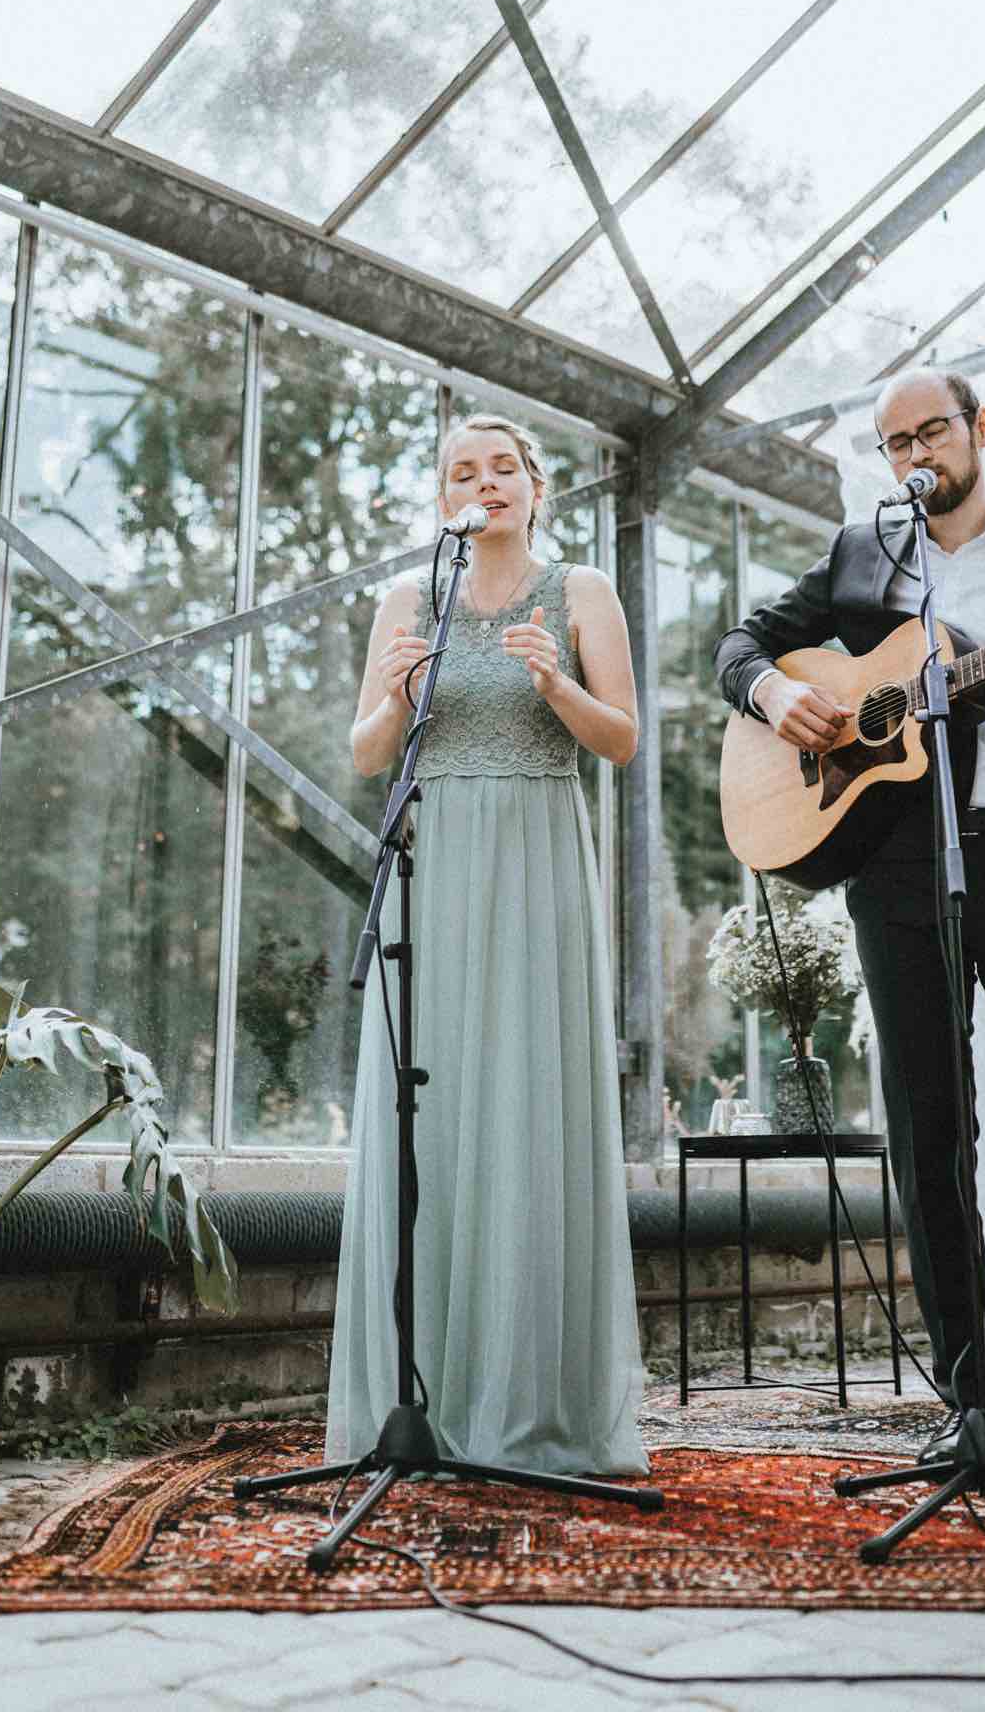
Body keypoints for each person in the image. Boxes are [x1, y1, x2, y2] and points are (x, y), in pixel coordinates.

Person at [713, 367, 985, 1483]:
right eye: (895, 439)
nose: (917, 452)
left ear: (980, 430)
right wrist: (781, 698)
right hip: (901, 874)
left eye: (933, 431)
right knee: (929, 1137)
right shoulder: (864, 556)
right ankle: (973, 1400)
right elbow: (741, 649)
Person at [326, 413, 648, 1477]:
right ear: (443, 500)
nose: (484, 482)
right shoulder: (407, 600)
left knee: (526, 1104)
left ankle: (531, 1404)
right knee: (435, 1113)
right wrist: (404, 695)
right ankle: (417, 1400)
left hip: (538, 857)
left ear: (535, 486)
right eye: (462, 472)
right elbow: (368, 752)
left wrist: (557, 686)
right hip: (434, 863)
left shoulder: (584, 591)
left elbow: (624, 739)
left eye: (502, 467)